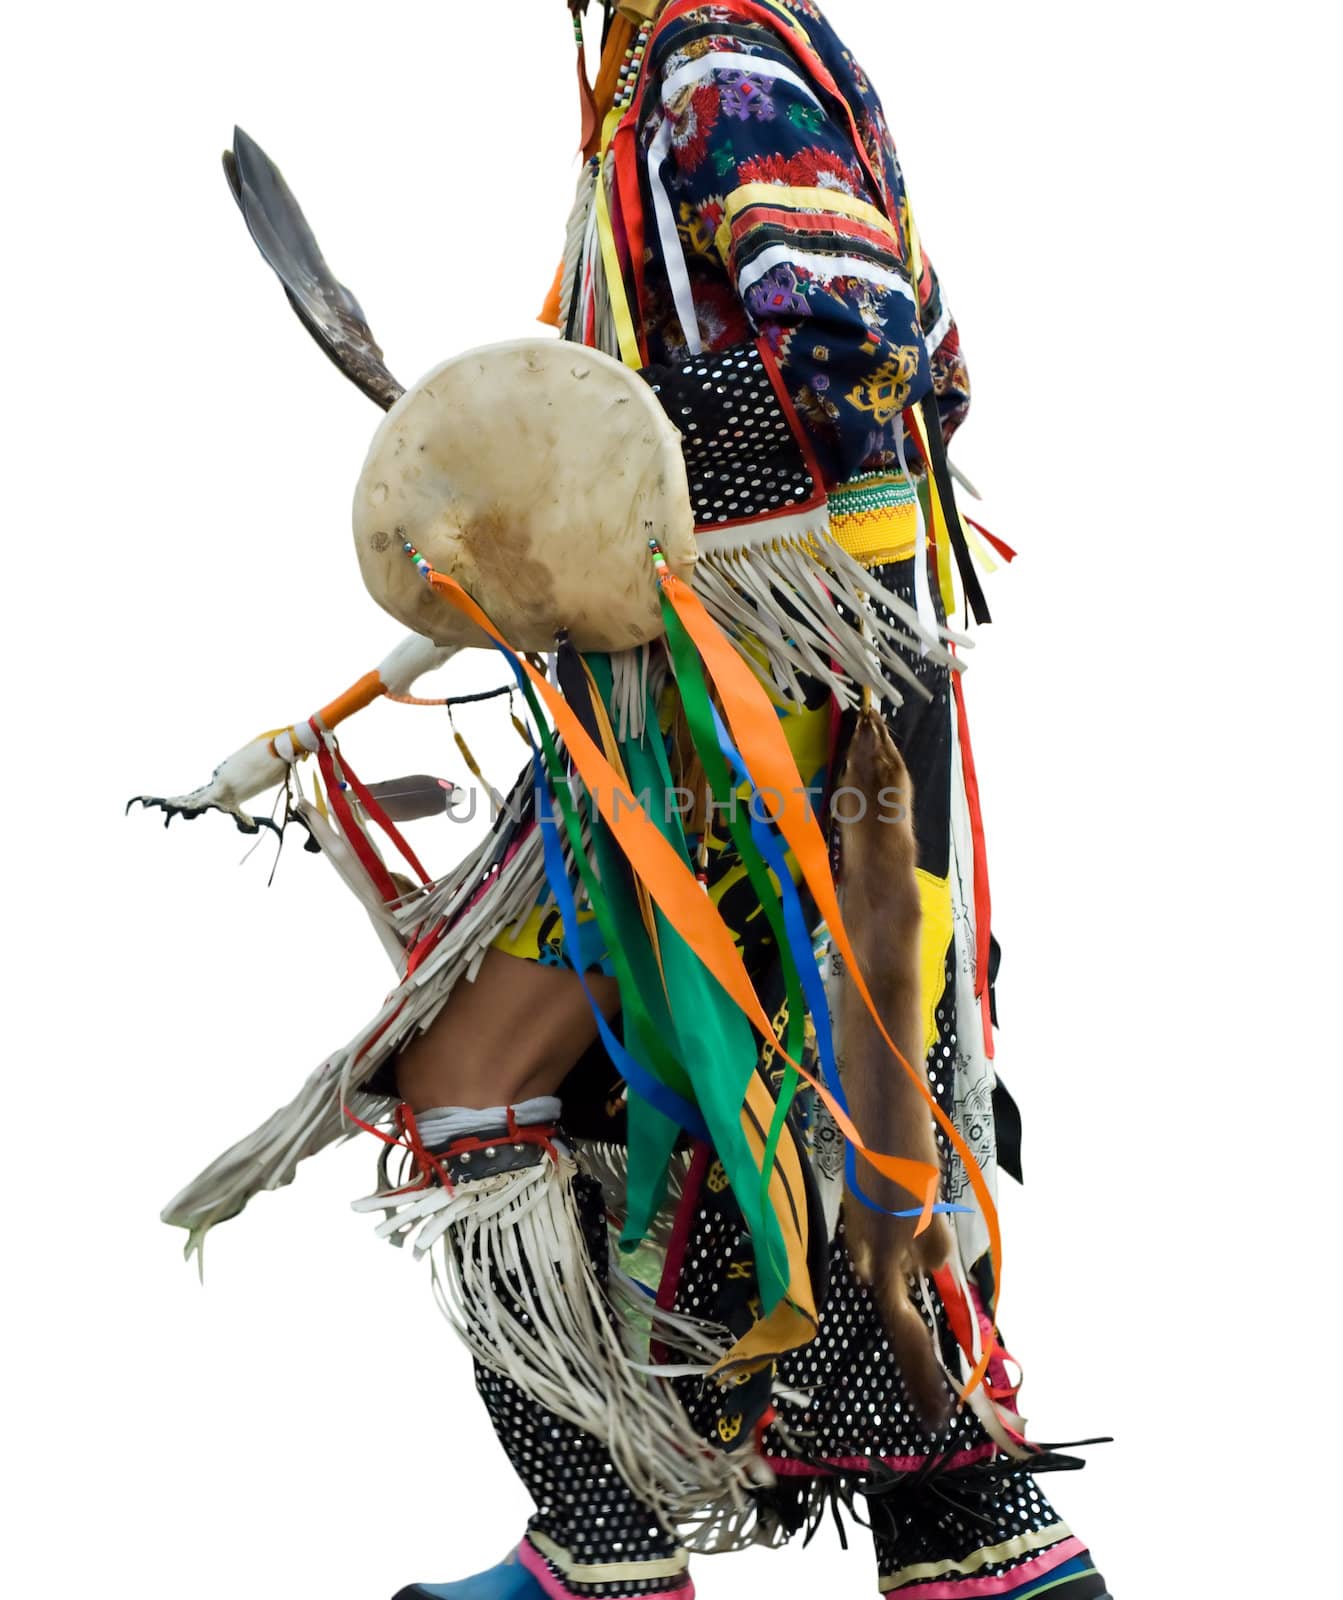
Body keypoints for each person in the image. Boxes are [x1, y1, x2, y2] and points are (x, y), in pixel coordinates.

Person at [136, 4, 1111, 1598]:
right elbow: (921, 370)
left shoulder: (718, 53)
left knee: (805, 1103)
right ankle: (958, 1547)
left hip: (786, 706)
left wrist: (607, 502)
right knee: (821, 1105)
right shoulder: (675, 59)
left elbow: (866, 340)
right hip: (727, 691)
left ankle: (647, 1550)